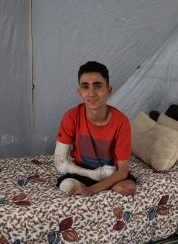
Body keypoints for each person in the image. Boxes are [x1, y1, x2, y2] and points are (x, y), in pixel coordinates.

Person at [54, 61, 135, 197]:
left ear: (109, 90)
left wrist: (91, 190)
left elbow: (122, 171)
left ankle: (97, 184)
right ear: (79, 92)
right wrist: (93, 175)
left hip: (110, 171)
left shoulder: (121, 121)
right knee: (65, 185)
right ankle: (95, 183)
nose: (91, 93)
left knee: (128, 188)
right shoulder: (71, 116)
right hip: (82, 170)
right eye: (85, 87)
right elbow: (59, 161)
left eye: (97, 86)